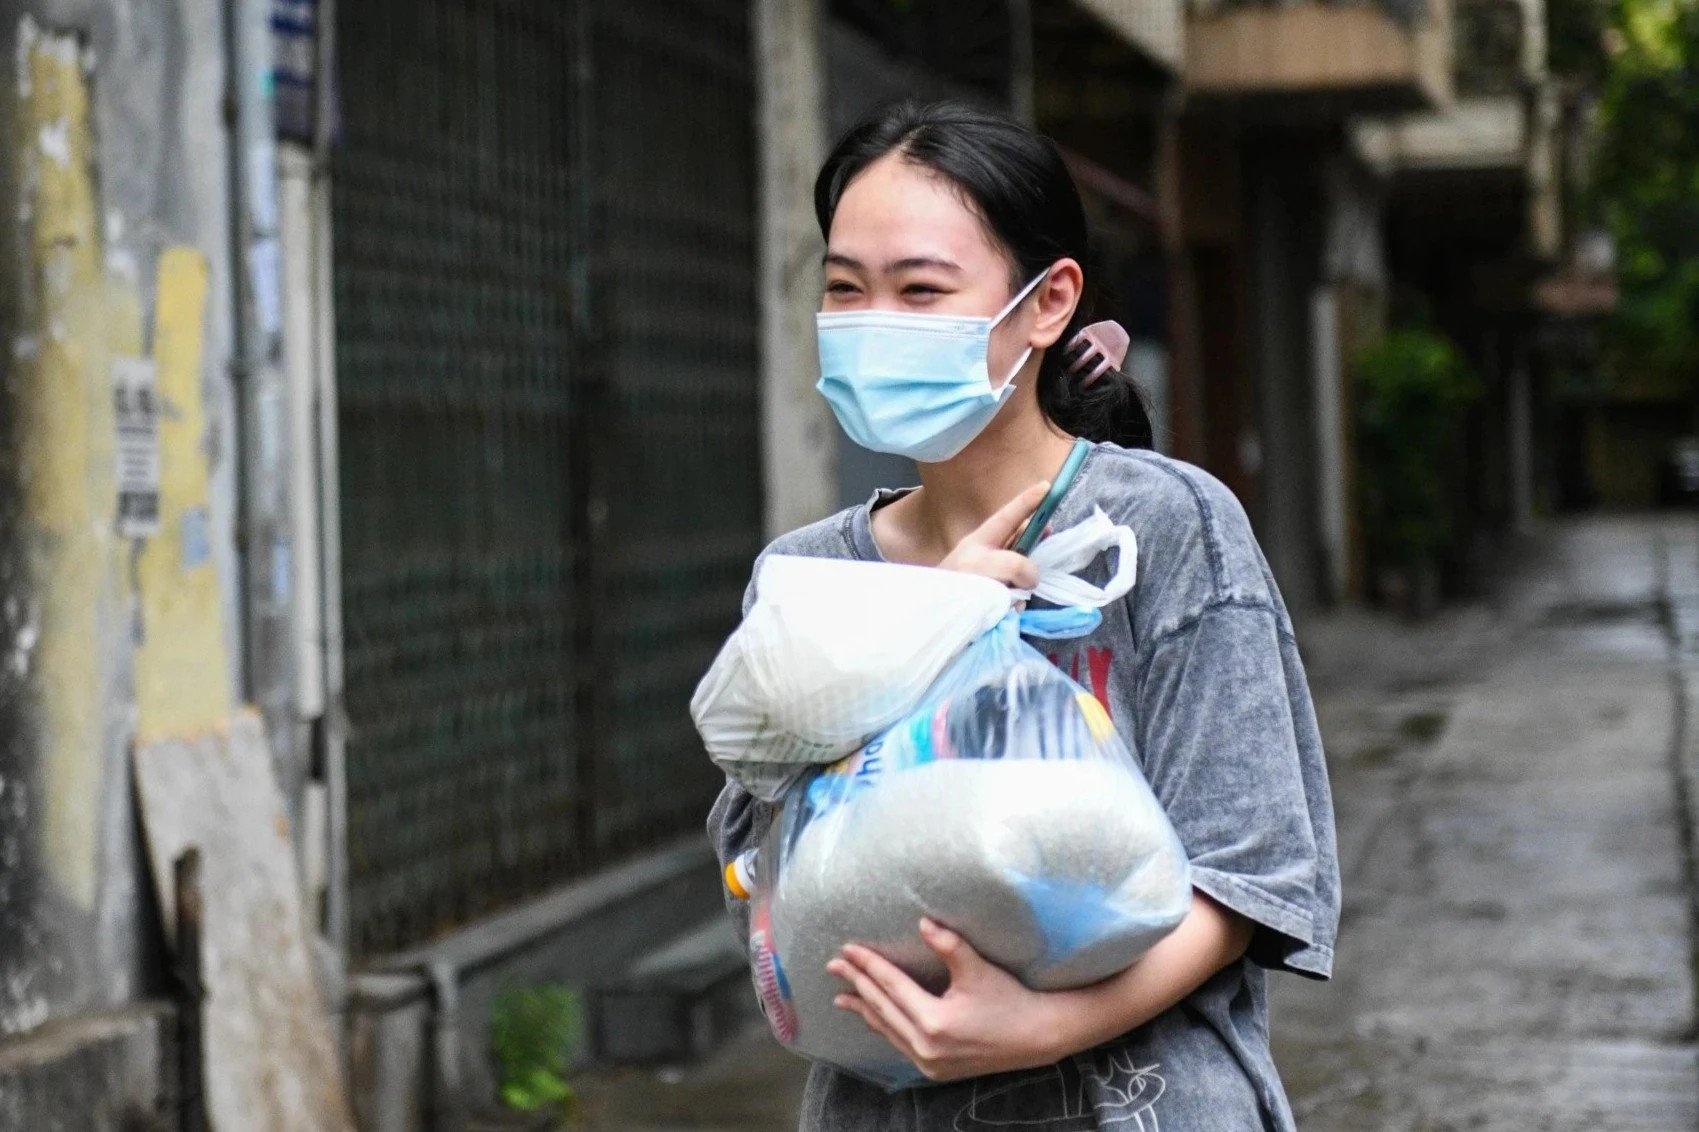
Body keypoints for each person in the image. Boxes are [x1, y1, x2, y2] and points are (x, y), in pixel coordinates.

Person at [707, 100, 1339, 1131]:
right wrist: (918, 630)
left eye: (920, 290)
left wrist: (1038, 1028)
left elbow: (1249, 869)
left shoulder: (1161, 526)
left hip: (1135, 1104)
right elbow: (762, 878)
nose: (875, 323)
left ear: (1046, 303)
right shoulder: (807, 576)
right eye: (844, 290)